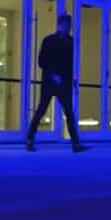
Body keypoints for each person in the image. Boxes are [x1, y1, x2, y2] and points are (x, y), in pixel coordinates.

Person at [26, 13, 86, 152]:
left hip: (63, 81)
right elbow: (42, 61)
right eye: (67, 25)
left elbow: (71, 63)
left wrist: (72, 78)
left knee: (68, 111)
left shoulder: (70, 42)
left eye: (69, 26)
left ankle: (75, 143)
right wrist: (53, 74)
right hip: (50, 81)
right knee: (42, 109)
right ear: (60, 25)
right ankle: (29, 138)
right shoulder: (50, 41)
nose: (69, 28)